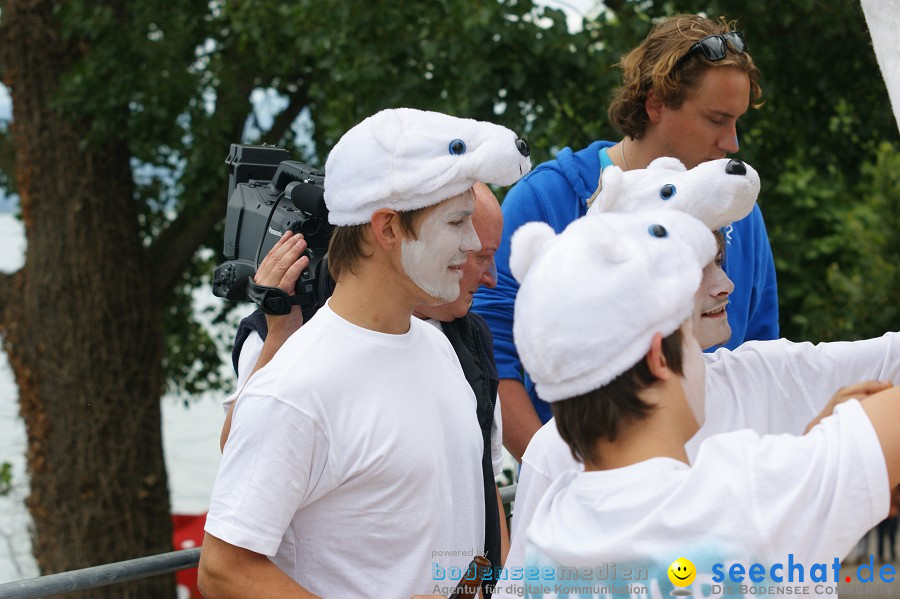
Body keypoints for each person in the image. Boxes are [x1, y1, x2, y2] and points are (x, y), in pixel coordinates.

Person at [198, 108, 531, 598]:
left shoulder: (440, 349)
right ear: (388, 229)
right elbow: (223, 570)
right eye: (458, 221)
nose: (474, 243)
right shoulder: (296, 387)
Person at [506, 208, 900, 597]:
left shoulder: (552, 526)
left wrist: (814, 443)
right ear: (660, 358)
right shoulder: (743, 493)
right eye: (687, 335)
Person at [473, 14, 778, 461]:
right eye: (716, 119)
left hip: (714, 492)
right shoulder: (548, 199)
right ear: (656, 104)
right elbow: (491, 355)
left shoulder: (741, 213)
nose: (732, 143)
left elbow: (759, 353)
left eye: (737, 122)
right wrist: (564, 473)